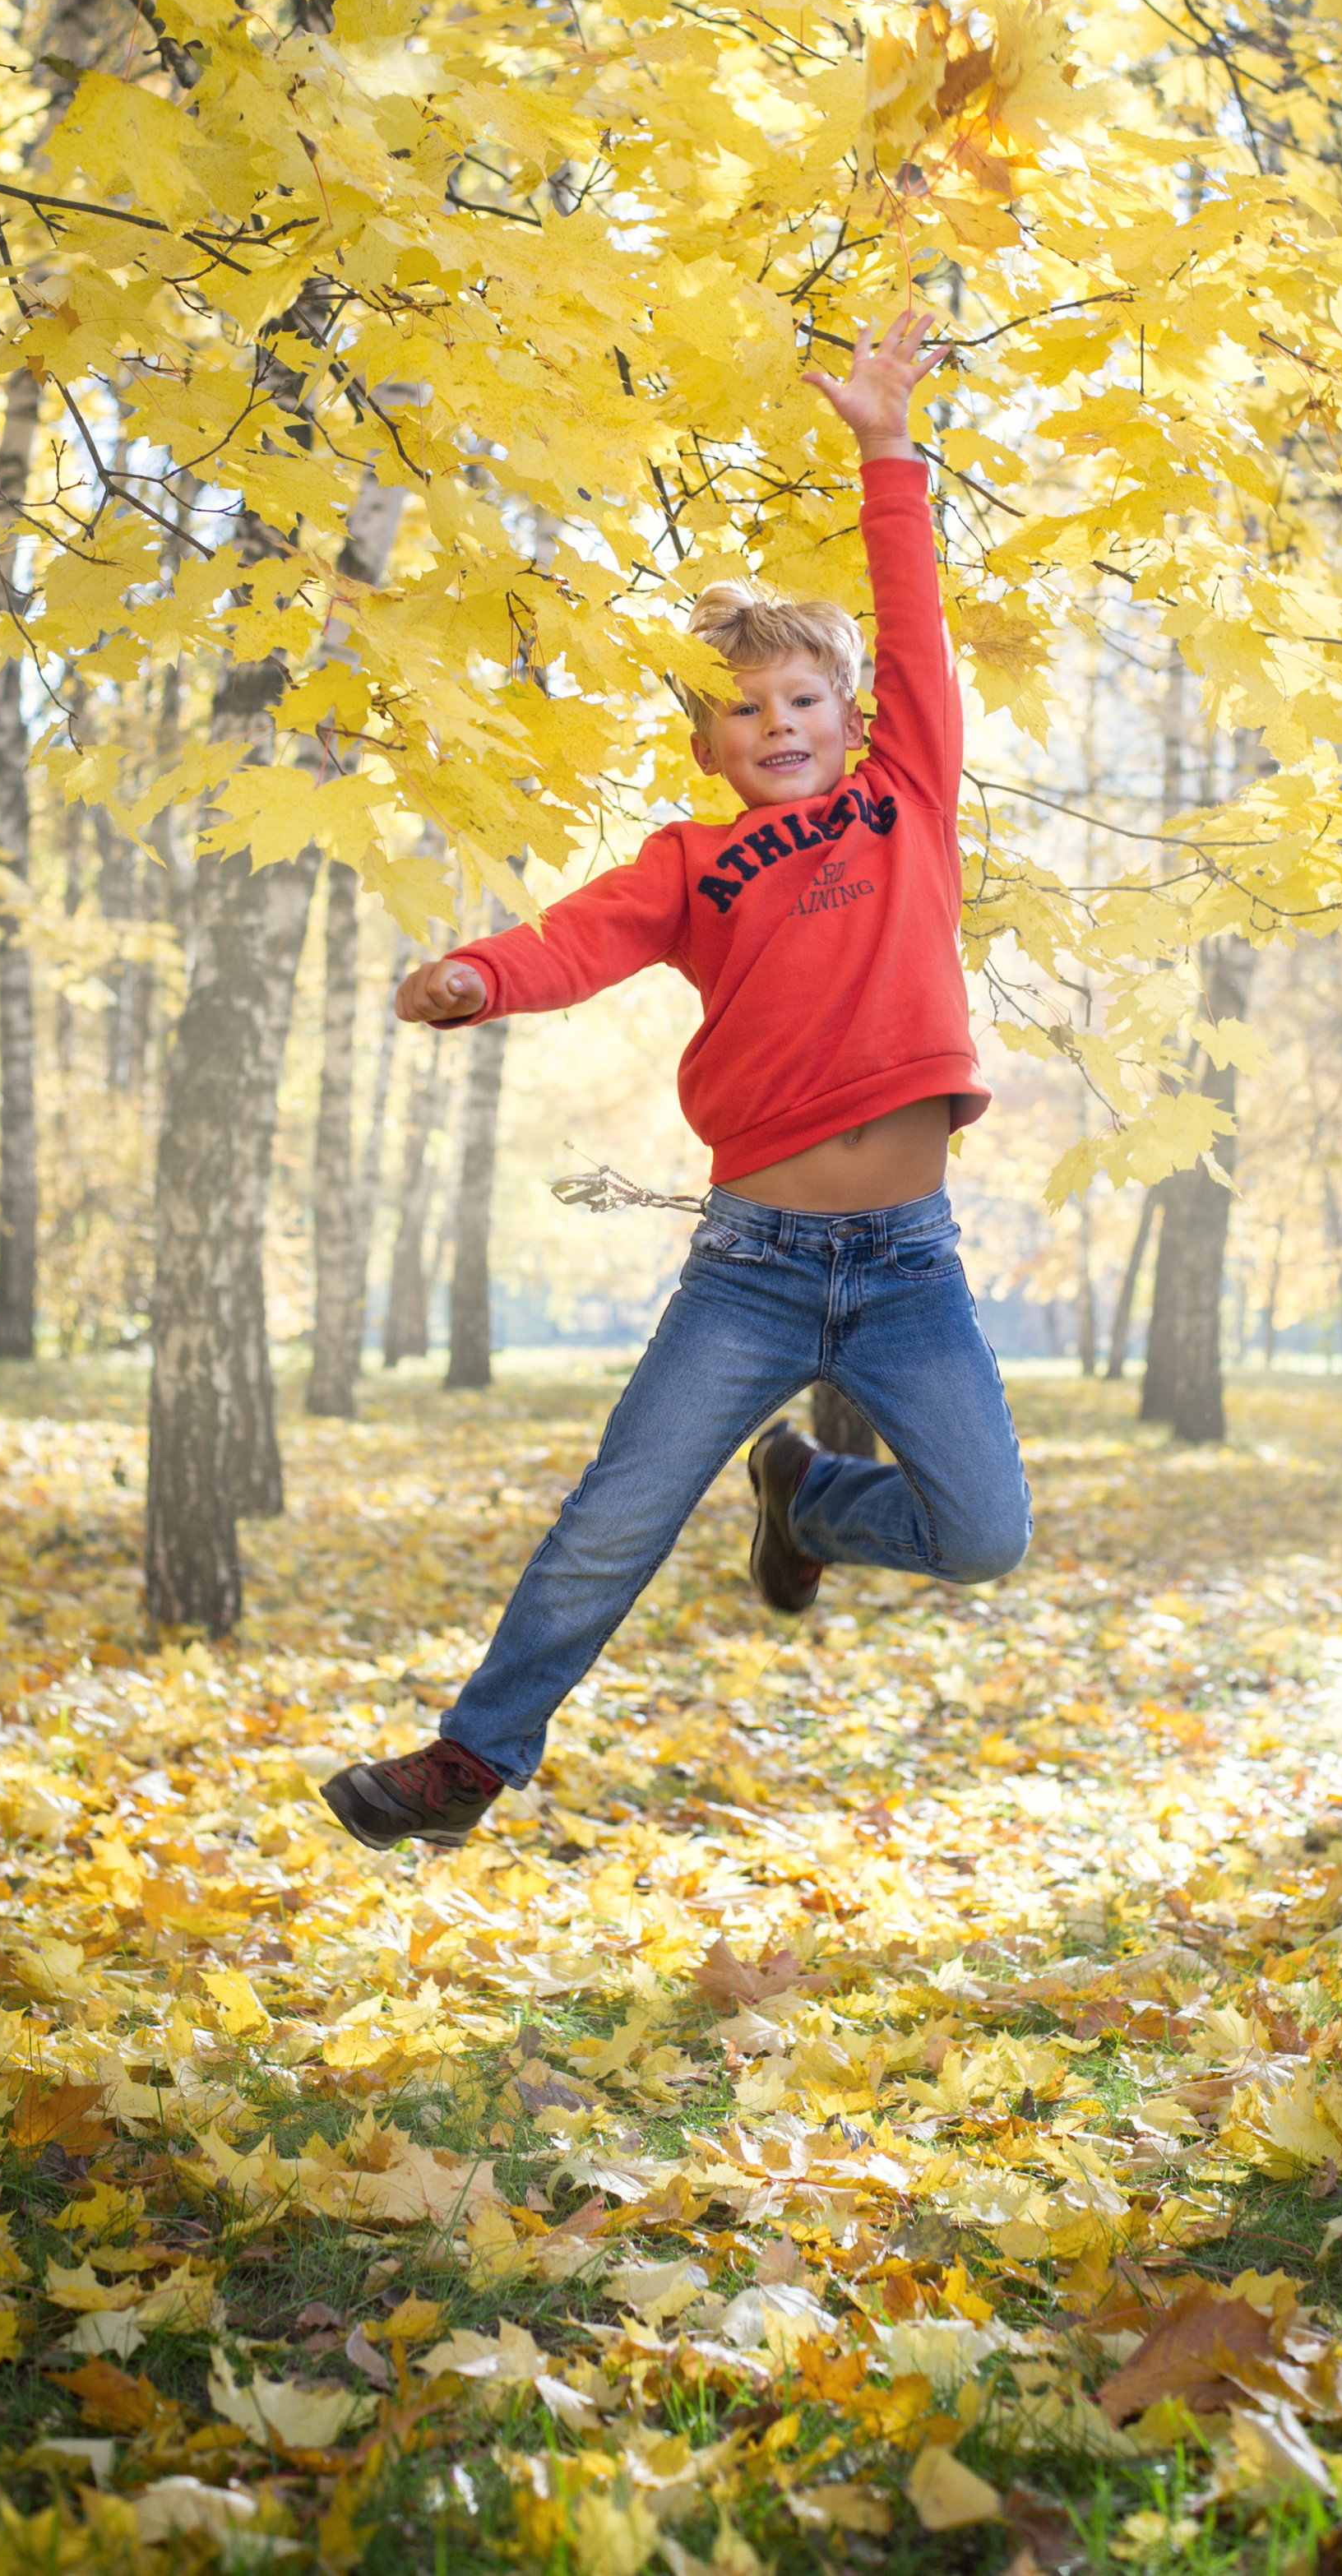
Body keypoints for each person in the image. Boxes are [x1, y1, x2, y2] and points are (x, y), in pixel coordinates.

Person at [322, 307, 1033, 1851]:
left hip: (911, 1268)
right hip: (756, 1267)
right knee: (614, 1522)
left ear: (853, 724)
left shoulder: (909, 799)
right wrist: (473, 979)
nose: (779, 724)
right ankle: (472, 1759)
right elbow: (576, 938)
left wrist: (886, 447)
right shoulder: (692, 866)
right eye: (743, 709)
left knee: (986, 1535)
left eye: (804, 702)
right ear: (708, 743)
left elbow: (914, 628)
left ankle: (810, 1503)